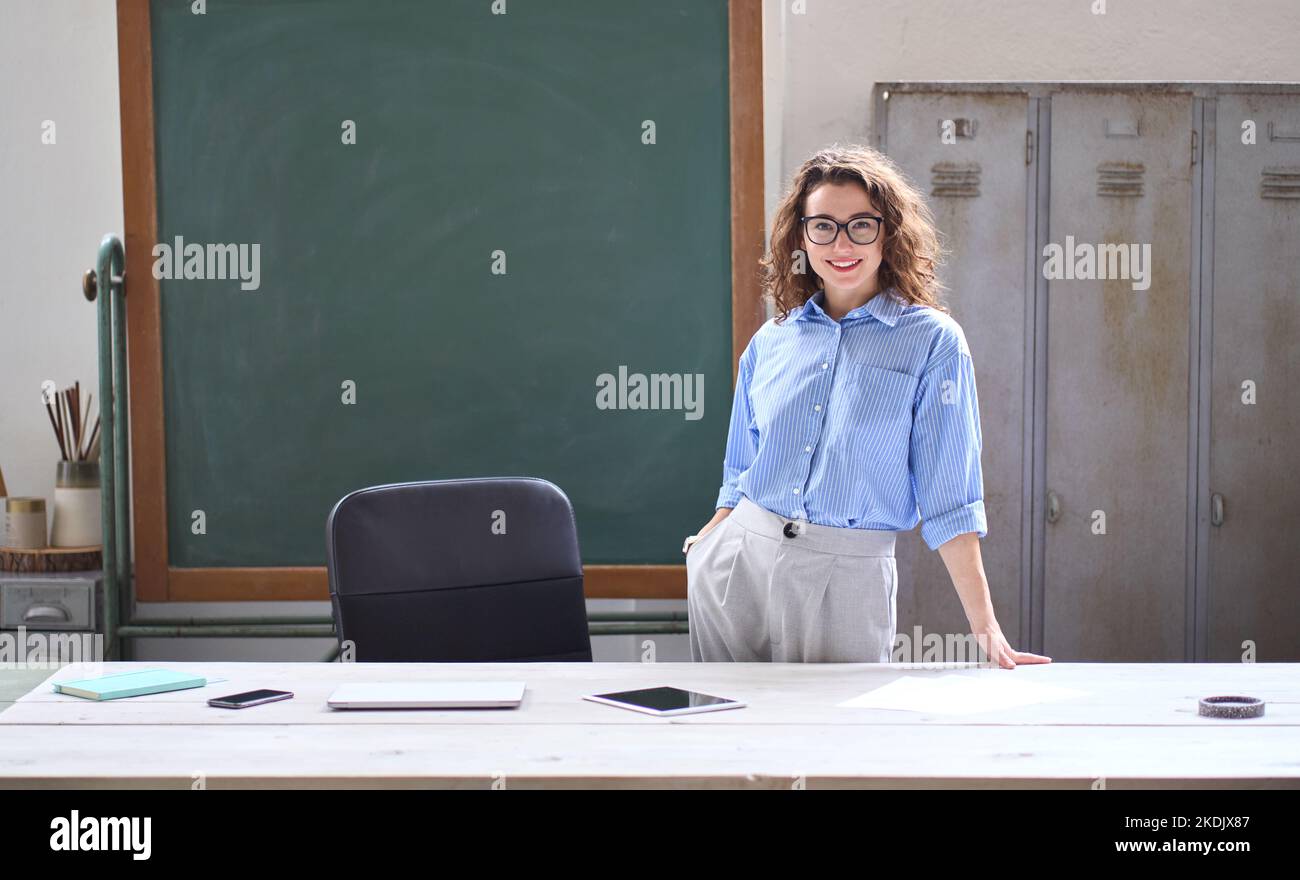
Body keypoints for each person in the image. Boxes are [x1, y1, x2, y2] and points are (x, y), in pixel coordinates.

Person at [684, 144, 1050, 668]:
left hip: (848, 574)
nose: (841, 243)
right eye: (823, 226)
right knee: (727, 735)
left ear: (888, 232)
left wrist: (985, 627)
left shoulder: (933, 342)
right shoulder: (772, 340)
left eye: (861, 224)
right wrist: (709, 544)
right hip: (737, 564)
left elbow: (951, 494)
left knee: (836, 743)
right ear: (802, 236)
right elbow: (740, 466)